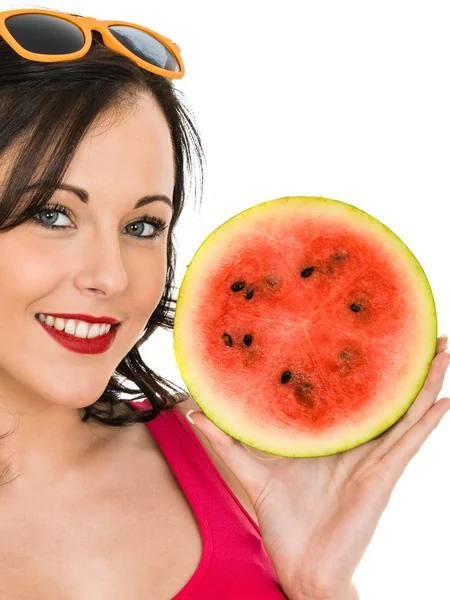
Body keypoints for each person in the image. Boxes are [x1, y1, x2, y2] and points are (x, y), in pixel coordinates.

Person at [0, 7, 448, 600]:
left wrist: (319, 585)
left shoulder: (240, 469)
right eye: (53, 214)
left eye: (143, 225)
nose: (111, 276)